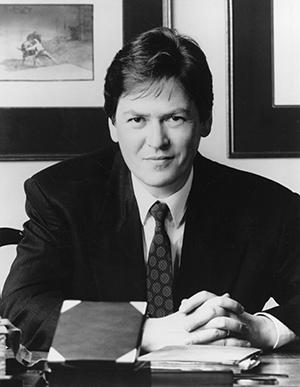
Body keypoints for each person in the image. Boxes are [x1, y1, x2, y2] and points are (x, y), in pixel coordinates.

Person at [1, 27, 299, 352]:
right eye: (137, 120)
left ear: (205, 121)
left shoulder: (269, 208)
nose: (157, 142)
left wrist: (263, 328)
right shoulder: (60, 196)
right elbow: (23, 307)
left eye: (174, 118)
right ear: (113, 125)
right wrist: (146, 333)